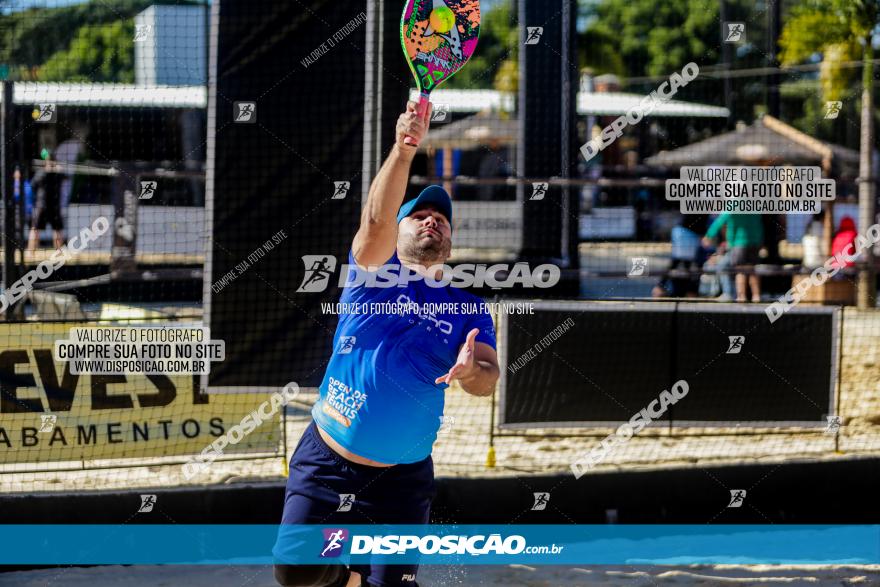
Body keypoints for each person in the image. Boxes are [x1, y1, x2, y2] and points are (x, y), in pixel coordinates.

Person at [273, 101, 500, 587]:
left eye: (441, 218)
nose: (431, 220)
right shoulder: (371, 276)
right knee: (296, 569)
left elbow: (488, 379)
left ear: (451, 246)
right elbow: (374, 224)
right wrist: (404, 148)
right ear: (397, 233)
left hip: (400, 483)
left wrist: (471, 373)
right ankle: (350, 572)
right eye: (419, 214)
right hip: (328, 467)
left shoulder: (469, 308)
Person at [702, 213, 764, 302]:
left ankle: (741, 297)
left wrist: (708, 235)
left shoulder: (734, 201)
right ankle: (756, 296)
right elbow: (759, 222)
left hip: (738, 242)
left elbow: (720, 220)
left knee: (740, 270)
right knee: (753, 270)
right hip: (754, 241)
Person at [27, 149, 65, 251]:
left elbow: (64, 177)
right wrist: (45, 171)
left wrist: (56, 170)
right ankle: (31, 251)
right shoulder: (42, 172)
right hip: (42, 205)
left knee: (57, 229)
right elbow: (33, 185)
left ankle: (59, 253)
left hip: (53, 205)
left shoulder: (57, 172)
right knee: (35, 229)